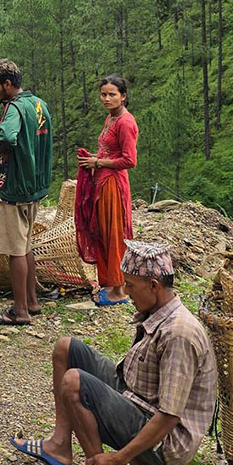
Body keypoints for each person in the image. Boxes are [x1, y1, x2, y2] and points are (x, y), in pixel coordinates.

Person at [11, 241, 216, 465]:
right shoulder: (157, 311)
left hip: (165, 439)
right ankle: (60, 446)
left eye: (131, 286)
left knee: (74, 382)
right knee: (66, 349)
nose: (127, 292)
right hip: (138, 399)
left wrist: (117, 460)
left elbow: (168, 417)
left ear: (154, 285)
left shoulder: (179, 334)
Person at [0, 59, 52, 326]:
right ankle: (33, 302)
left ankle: (20, 310)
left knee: (15, 250)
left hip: (15, 185)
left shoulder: (13, 107)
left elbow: (7, 137)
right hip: (36, 184)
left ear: (8, 84)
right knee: (25, 246)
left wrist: (3, 156)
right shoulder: (39, 104)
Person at [77, 74, 139, 307]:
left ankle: (118, 290)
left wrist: (98, 163)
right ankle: (109, 283)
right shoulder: (111, 118)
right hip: (102, 181)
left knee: (114, 234)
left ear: (123, 96)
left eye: (112, 94)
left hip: (113, 184)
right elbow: (108, 152)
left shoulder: (125, 123)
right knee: (102, 232)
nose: (107, 98)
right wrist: (95, 159)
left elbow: (129, 160)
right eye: (103, 94)